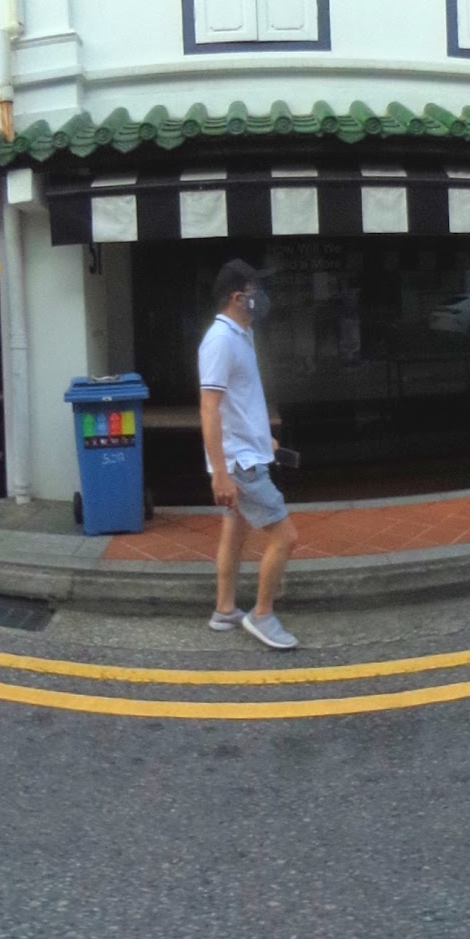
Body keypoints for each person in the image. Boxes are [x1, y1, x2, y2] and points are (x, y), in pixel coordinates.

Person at [199, 257, 298, 647]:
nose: (262, 298)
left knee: (235, 532)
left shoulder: (241, 334)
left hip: (247, 454)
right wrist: (220, 472)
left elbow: (239, 402)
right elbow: (209, 407)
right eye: (256, 292)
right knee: (286, 537)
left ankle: (224, 610)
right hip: (240, 465)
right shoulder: (221, 340)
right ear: (238, 298)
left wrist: (263, 440)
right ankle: (262, 615)